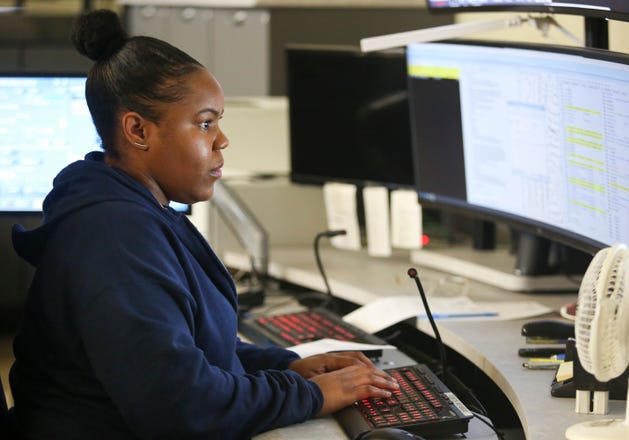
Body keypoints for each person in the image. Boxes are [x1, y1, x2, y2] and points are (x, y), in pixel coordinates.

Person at [8, 9, 399, 440]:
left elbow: (190, 350)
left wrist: (286, 365)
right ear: (138, 130)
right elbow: (182, 406)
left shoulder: (136, 211)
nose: (222, 139)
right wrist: (310, 393)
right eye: (205, 123)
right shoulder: (114, 235)